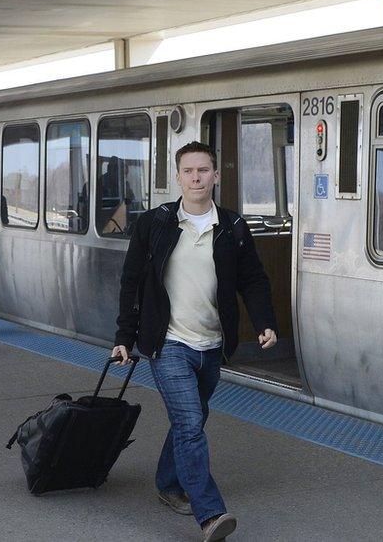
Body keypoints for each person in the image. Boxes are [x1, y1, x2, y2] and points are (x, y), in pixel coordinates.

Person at [112, 141, 277, 542]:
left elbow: (252, 279)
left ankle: (168, 483)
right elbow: (132, 283)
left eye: (204, 170)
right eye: (189, 171)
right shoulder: (155, 223)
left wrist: (264, 321)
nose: (197, 177)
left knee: (193, 419)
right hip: (168, 342)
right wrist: (124, 338)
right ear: (178, 176)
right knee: (189, 423)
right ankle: (210, 513)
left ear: (216, 176)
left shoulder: (234, 227)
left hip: (212, 344)